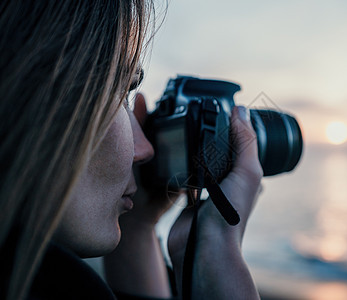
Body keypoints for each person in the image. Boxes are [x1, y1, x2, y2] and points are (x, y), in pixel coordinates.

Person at [0, 1, 263, 299]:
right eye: (122, 93)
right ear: (32, 97)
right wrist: (220, 262)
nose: (144, 149)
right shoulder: (63, 285)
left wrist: (136, 227)